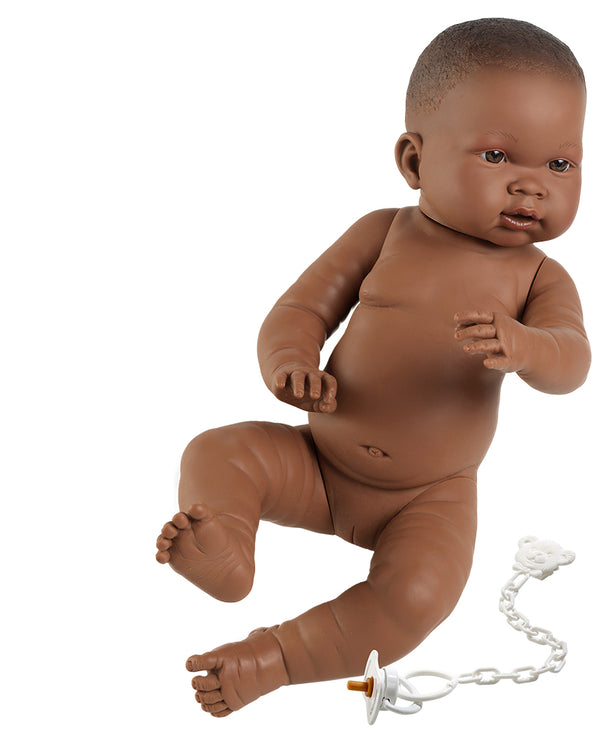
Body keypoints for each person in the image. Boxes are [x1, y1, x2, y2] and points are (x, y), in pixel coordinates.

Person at [155, 17, 591, 717]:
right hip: (318, 463)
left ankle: (274, 658)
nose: (531, 187)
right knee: (218, 450)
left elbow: (572, 361)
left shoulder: (540, 278)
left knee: (418, 598)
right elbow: (299, 310)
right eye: (497, 156)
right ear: (415, 162)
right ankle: (226, 544)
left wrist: (529, 346)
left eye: (560, 166)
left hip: (430, 498)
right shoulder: (383, 233)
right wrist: (290, 362)